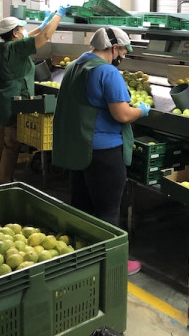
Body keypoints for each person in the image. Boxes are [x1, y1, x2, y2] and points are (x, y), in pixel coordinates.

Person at [52, 27, 150, 275]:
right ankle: (114, 266)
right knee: (107, 212)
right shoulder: (107, 72)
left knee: (81, 206)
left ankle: (80, 257)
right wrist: (141, 110)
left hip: (79, 149)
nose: (123, 56)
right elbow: (122, 114)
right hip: (104, 153)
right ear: (114, 48)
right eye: (123, 51)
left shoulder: (74, 66)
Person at [0, 8, 68, 185]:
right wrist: (59, 15)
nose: (24, 31)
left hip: (0, 99)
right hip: (13, 99)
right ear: (15, 33)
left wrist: (42, 25)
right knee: (11, 142)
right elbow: (44, 37)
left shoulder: (2, 46)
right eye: (21, 29)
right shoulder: (17, 47)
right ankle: (4, 181)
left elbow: (30, 37)